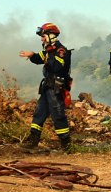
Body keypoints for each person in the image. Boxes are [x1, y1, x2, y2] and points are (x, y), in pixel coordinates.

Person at [19, 22, 72, 152]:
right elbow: (39, 58)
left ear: (51, 36)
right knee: (39, 113)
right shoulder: (49, 51)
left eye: (43, 36)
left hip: (56, 88)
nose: (41, 39)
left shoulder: (60, 51)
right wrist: (31, 55)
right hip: (47, 87)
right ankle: (33, 141)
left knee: (58, 115)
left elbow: (58, 67)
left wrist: (49, 56)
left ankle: (67, 144)